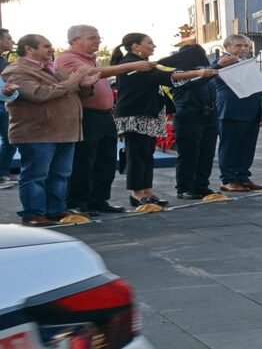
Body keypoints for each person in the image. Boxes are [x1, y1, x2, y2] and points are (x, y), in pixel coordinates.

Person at [57, 25, 155, 215]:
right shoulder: (68, 58)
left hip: (104, 115)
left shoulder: (92, 60)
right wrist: (132, 66)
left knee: (106, 161)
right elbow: (93, 75)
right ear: (75, 40)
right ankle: (77, 202)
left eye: (98, 37)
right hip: (86, 115)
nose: (98, 41)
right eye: (92, 38)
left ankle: (99, 200)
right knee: (84, 162)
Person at [2, 34, 99, 226]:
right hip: (37, 133)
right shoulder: (16, 70)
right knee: (36, 175)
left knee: (60, 174)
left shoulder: (54, 69)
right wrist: (72, 82)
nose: (50, 49)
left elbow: (73, 92)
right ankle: (33, 214)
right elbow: (38, 94)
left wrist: (85, 86)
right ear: (29, 49)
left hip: (64, 131)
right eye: (46, 46)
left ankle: (55, 210)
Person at [113, 33, 216, 207]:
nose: (153, 46)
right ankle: (137, 193)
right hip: (136, 114)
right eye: (149, 43)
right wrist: (198, 72)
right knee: (137, 155)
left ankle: (147, 190)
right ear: (135, 46)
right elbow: (165, 77)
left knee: (147, 155)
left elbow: (164, 76)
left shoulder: (145, 64)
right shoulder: (131, 63)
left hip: (150, 113)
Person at [212, 34, 262, 192]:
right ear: (227, 47)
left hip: (250, 110)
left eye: (246, 46)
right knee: (230, 147)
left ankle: (243, 177)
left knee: (247, 147)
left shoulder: (247, 63)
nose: (243, 49)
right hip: (231, 110)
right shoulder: (221, 62)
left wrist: (260, 112)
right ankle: (228, 179)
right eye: (238, 46)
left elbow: (255, 88)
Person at [168, 45, 221, 200]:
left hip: (209, 114)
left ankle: (202, 185)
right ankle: (185, 187)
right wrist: (217, 66)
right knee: (189, 153)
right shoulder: (178, 73)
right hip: (188, 115)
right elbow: (195, 82)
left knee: (206, 152)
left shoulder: (204, 70)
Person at [0, 28, 17, 186]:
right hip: (2, 104)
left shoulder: (4, 60)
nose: (12, 41)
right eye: (9, 38)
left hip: (4, 104)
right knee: (9, 140)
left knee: (9, 140)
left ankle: (3, 172)